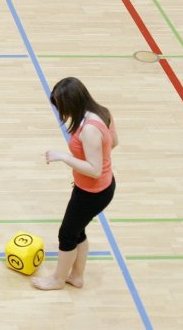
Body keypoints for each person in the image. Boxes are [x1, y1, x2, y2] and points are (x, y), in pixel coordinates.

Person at [33, 77, 118, 290]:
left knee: (67, 235)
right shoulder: (102, 113)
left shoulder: (89, 129)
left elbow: (94, 169)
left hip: (92, 192)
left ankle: (57, 280)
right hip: (98, 188)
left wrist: (64, 156)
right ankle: (77, 277)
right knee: (78, 230)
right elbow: (114, 142)